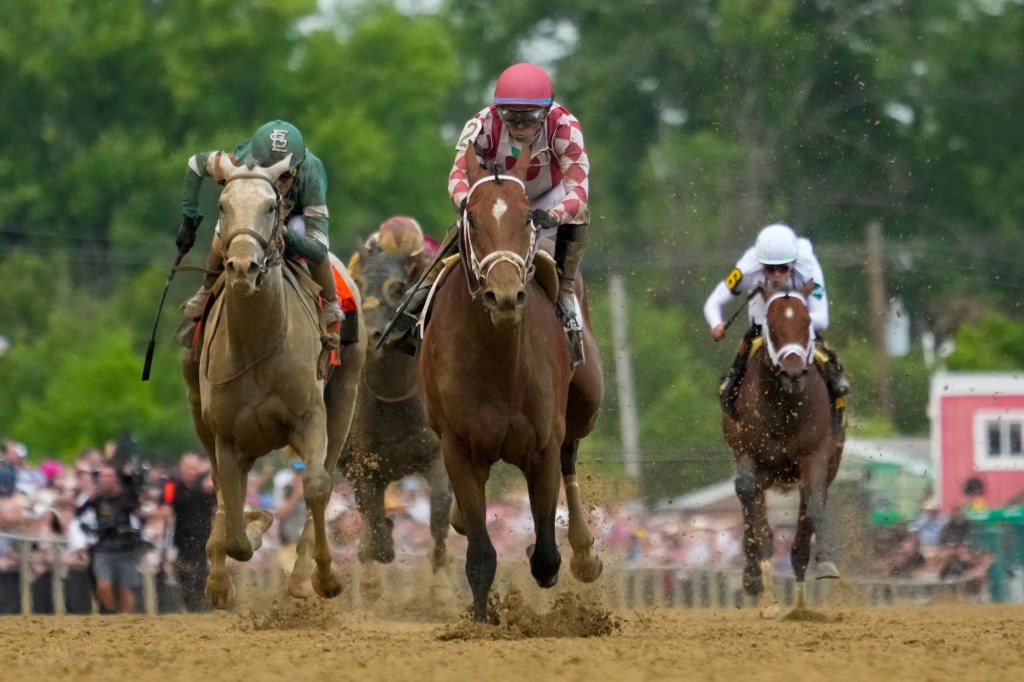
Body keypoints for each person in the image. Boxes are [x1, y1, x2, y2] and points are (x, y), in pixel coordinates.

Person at [387, 62, 592, 365]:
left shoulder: (566, 127)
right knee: (468, 223)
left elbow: (579, 192)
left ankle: (564, 290)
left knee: (579, 215)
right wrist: (470, 202)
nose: (520, 126)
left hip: (548, 197)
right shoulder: (482, 123)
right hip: (495, 195)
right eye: (511, 117)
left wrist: (554, 215)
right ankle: (419, 297)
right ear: (499, 111)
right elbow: (457, 174)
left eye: (529, 118)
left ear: (546, 111)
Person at [174, 119, 352, 349]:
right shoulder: (238, 160)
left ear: (297, 169)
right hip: (252, 209)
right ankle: (207, 289)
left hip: (292, 218)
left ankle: (329, 303)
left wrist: (285, 235)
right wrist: (188, 220)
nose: (276, 183)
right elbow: (195, 165)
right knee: (221, 234)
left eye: (284, 176)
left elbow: (317, 249)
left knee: (309, 241)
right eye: (269, 172)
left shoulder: (311, 173)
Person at [703, 223, 850, 418]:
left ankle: (836, 401)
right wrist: (716, 323)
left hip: (798, 325)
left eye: (782, 268)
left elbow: (822, 319)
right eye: (770, 269)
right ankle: (731, 392)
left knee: (830, 366)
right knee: (733, 375)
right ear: (760, 263)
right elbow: (713, 302)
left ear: (793, 263)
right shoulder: (746, 269)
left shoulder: (809, 270)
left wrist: (789, 326)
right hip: (762, 320)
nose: (776, 275)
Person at [76, 464, 145, 613]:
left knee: (125, 588)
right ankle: (111, 611)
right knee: (103, 585)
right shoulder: (96, 499)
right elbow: (79, 514)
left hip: (124, 547)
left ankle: (125, 617)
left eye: (109, 476)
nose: (106, 480)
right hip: (104, 547)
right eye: (103, 477)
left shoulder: (127, 497)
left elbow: (140, 517)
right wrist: (89, 500)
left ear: (115, 479)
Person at [159, 453, 216, 612]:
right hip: (181, 540)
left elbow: (215, 507)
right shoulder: (173, 486)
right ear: (182, 468)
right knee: (183, 576)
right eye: (189, 468)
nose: (192, 472)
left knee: (200, 577)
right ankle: (191, 608)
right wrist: (166, 509)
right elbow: (166, 504)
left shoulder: (207, 487)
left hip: (202, 542)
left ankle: (202, 609)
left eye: (195, 468)